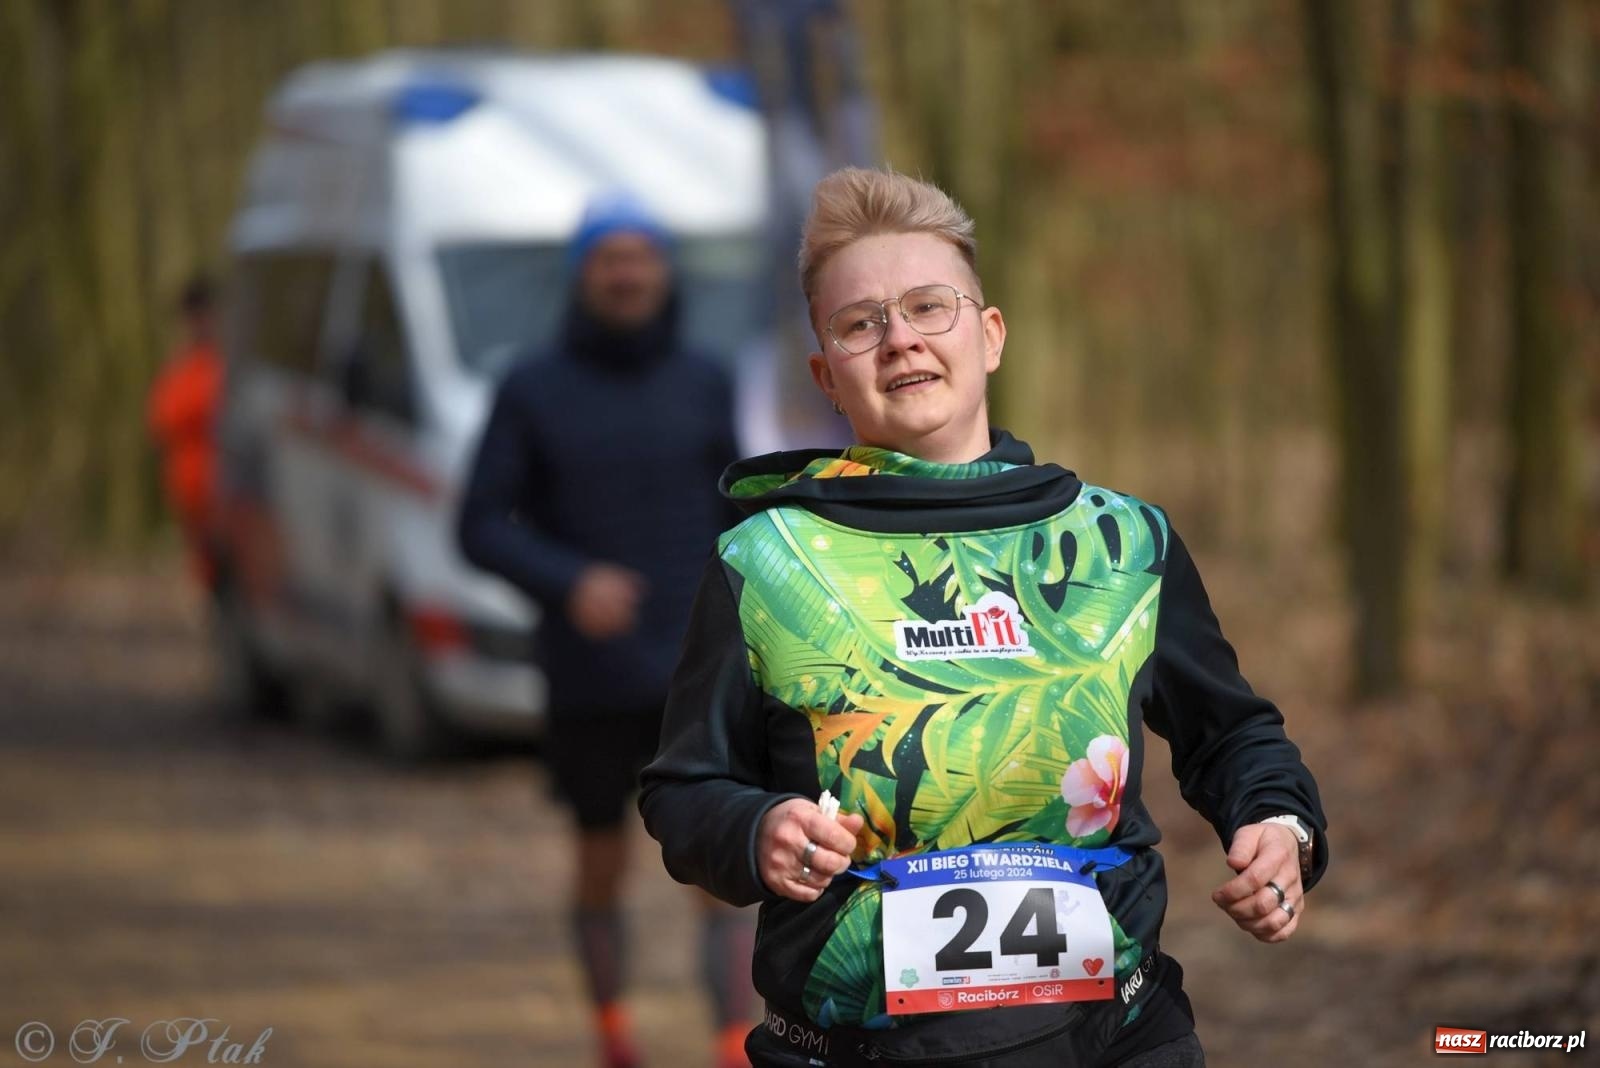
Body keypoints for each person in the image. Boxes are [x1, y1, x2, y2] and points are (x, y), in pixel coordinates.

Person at [639, 168, 1328, 1067]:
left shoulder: (1117, 544)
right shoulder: (767, 561)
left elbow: (1235, 734)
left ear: (990, 334)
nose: (901, 342)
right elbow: (683, 791)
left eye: (931, 307)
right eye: (861, 323)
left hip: (1115, 1041)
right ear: (826, 376)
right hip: (851, 1049)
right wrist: (755, 829)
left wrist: (1279, 827)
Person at [457, 192, 756, 1068]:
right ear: (581, 274)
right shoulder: (532, 386)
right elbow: (477, 525)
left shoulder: (705, 378)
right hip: (587, 673)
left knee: (713, 866)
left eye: (641, 257)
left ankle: (731, 1038)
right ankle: (613, 1034)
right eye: (608, 259)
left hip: (696, 674)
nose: (627, 274)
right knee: (600, 861)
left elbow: (737, 516)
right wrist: (568, 581)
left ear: (664, 272)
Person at [148, 274, 225, 588]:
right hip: (191, 491)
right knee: (209, 573)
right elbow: (160, 425)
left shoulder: (223, 367)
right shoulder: (179, 373)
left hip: (226, 492)